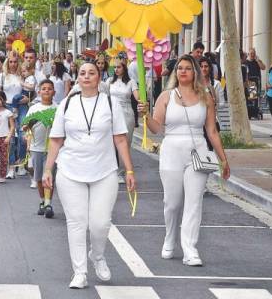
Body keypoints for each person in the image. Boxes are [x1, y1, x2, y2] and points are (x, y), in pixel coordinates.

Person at [43, 62, 136, 288]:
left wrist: (130, 169)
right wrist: (48, 169)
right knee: (76, 222)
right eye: (82, 73)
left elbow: (121, 139)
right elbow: (56, 139)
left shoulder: (110, 103)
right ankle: (80, 272)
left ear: (99, 78)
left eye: (91, 73)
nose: (86, 76)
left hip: (104, 170)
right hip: (70, 170)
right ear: (78, 78)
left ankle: (98, 255)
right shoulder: (67, 104)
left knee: (100, 223)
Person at [139, 54, 229, 267]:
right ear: (175, 72)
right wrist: (145, 115)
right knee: (172, 202)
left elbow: (212, 131)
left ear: (195, 72)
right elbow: (156, 128)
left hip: (197, 151)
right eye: (180, 68)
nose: (183, 71)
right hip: (171, 150)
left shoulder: (206, 96)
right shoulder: (166, 96)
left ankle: (190, 248)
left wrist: (223, 159)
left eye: (188, 68)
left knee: (194, 202)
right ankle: (170, 238)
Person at [23, 79, 56, 218]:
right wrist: (28, 127)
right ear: (39, 92)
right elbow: (25, 127)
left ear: (54, 92)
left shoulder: (57, 108)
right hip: (36, 148)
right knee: (38, 178)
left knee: (49, 177)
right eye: (44, 88)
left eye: (49, 88)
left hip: (52, 149)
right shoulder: (34, 108)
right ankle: (42, 201)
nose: (47, 91)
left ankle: (48, 203)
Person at [106, 60, 139, 183]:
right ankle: (112, 171)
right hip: (111, 114)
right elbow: (101, 93)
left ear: (124, 68)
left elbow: (138, 97)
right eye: (114, 67)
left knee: (125, 142)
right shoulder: (109, 81)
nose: (116, 69)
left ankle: (122, 172)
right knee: (111, 143)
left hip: (126, 114)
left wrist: (142, 97)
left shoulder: (131, 82)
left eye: (118, 67)